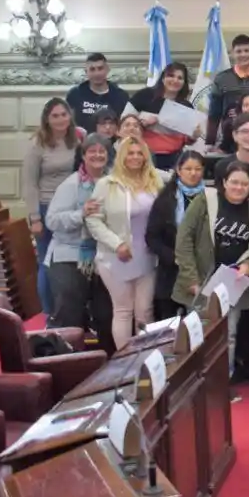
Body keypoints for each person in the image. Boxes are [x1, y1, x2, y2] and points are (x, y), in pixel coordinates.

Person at [172, 160, 249, 375]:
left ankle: (222, 384)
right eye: (234, 182)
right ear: (224, 182)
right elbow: (184, 239)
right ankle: (196, 384)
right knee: (197, 334)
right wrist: (191, 278)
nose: (239, 187)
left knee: (228, 335)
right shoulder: (206, 200)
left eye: (244, 184)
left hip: (234, 281)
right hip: (201, 280)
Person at [87, 138, 164, 350]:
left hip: (147, 256)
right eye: (130, 153)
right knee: (123, 311)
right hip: (116, 257)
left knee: (145, 311)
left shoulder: (156, 181)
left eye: (140, 153)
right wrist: (116, 244)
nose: (135, 157)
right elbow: (93, 219)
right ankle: (124, 361)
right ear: (122, 157)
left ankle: (146, 357)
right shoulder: (106, 184)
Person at [44, 134, 113, 330]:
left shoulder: (113, 182)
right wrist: (80, 214)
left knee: (106, 312)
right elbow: (52, 220)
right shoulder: (70, 184)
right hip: (68, 254)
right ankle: (68, 357)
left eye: (102, 151)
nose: (97, 155)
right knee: (70, 307)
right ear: (83, 155)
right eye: (92, 151)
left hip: (104, 254)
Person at [23, 98, 82, 320]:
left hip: (71, 208)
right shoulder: (37, 144)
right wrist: (34, 217)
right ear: (47, 119)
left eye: (63, 114)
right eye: (55, 116)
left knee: (68, 261)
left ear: (70, 116)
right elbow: (29, 183)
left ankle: (68, 311)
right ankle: (49, 313)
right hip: (46, 208)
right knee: (47, 261)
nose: (60, 119)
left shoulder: (75, 141)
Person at [145, 150, 206, 322]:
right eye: (188, 169)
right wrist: (174, 258)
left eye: (198, 169)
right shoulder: (165, 199)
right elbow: (152, 237)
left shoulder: (210, 198)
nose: (193, 173)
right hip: (171, 272)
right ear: (178, 170)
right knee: (169, 324)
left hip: (201, 271)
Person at [130, 61, 199, 170]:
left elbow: (188, 140)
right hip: (142, 156)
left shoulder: (187, 107)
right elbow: (123, 122)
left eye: (180, 78)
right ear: (162, 78)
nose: (175, 80)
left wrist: (193, 136)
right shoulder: (144, 96)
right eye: (171, 76)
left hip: (174, 159)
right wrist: (142, 124)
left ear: (184, 83)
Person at [66, 53, 131, 134]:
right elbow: (68, 124)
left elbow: (126, 124)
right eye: (92, 69)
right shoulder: (74, 94)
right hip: (82, 143)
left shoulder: (121, 95)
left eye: (100, 68)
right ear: (86, 72)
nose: (97, 73)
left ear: (107, 69)